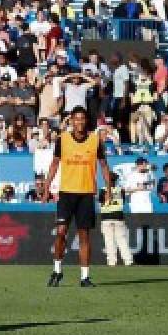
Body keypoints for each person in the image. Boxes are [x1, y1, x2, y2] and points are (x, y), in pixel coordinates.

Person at [41, 106, 111, 287]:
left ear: (86, 121)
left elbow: (103, 166)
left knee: (84, 236)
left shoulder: (95, 141)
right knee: (61, 232)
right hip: (66, 193)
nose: (79, 122)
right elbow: (54, 164)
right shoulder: (62, 140)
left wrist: (109, 189)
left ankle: (85, 277)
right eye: (76, 119)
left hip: (86, 193)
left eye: (82, 119)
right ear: (71, 120)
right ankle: (57, 270)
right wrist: (47, 187)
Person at [99, 171, 133, 267]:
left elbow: (101, 202)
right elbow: (123, 201)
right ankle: (128, 260)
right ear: (115, 180)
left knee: (109, 240)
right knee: (122, 239)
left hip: (106, 217)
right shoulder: (120, 190)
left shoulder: (103, 190)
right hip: (118, 217)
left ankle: (112, 262)